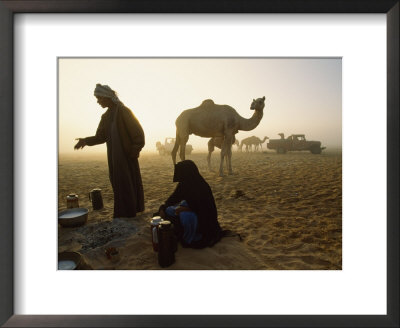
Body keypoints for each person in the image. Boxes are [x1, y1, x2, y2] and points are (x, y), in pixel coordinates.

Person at [74, 84, 145, 218]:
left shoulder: (123, 111)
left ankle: (130, 212)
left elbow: (138, 132)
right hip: (114, 157)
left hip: (127, 155)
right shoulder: (105, 116)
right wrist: (85, 140)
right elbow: (101, 137)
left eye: (99, 98)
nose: (98, 101)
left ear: (107, 97)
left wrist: (135, 149)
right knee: (118, 183)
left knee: (128, 182)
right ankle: (123, 212)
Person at [156, 160, 222, 249]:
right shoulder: (184, 183)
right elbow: (172, 199)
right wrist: (162, 208)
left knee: (186, 216)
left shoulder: (201, 186)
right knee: (168, 210)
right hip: (190, 208)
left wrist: (186, 209)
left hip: (203, 220)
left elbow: (205, 210)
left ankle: (190, 238)